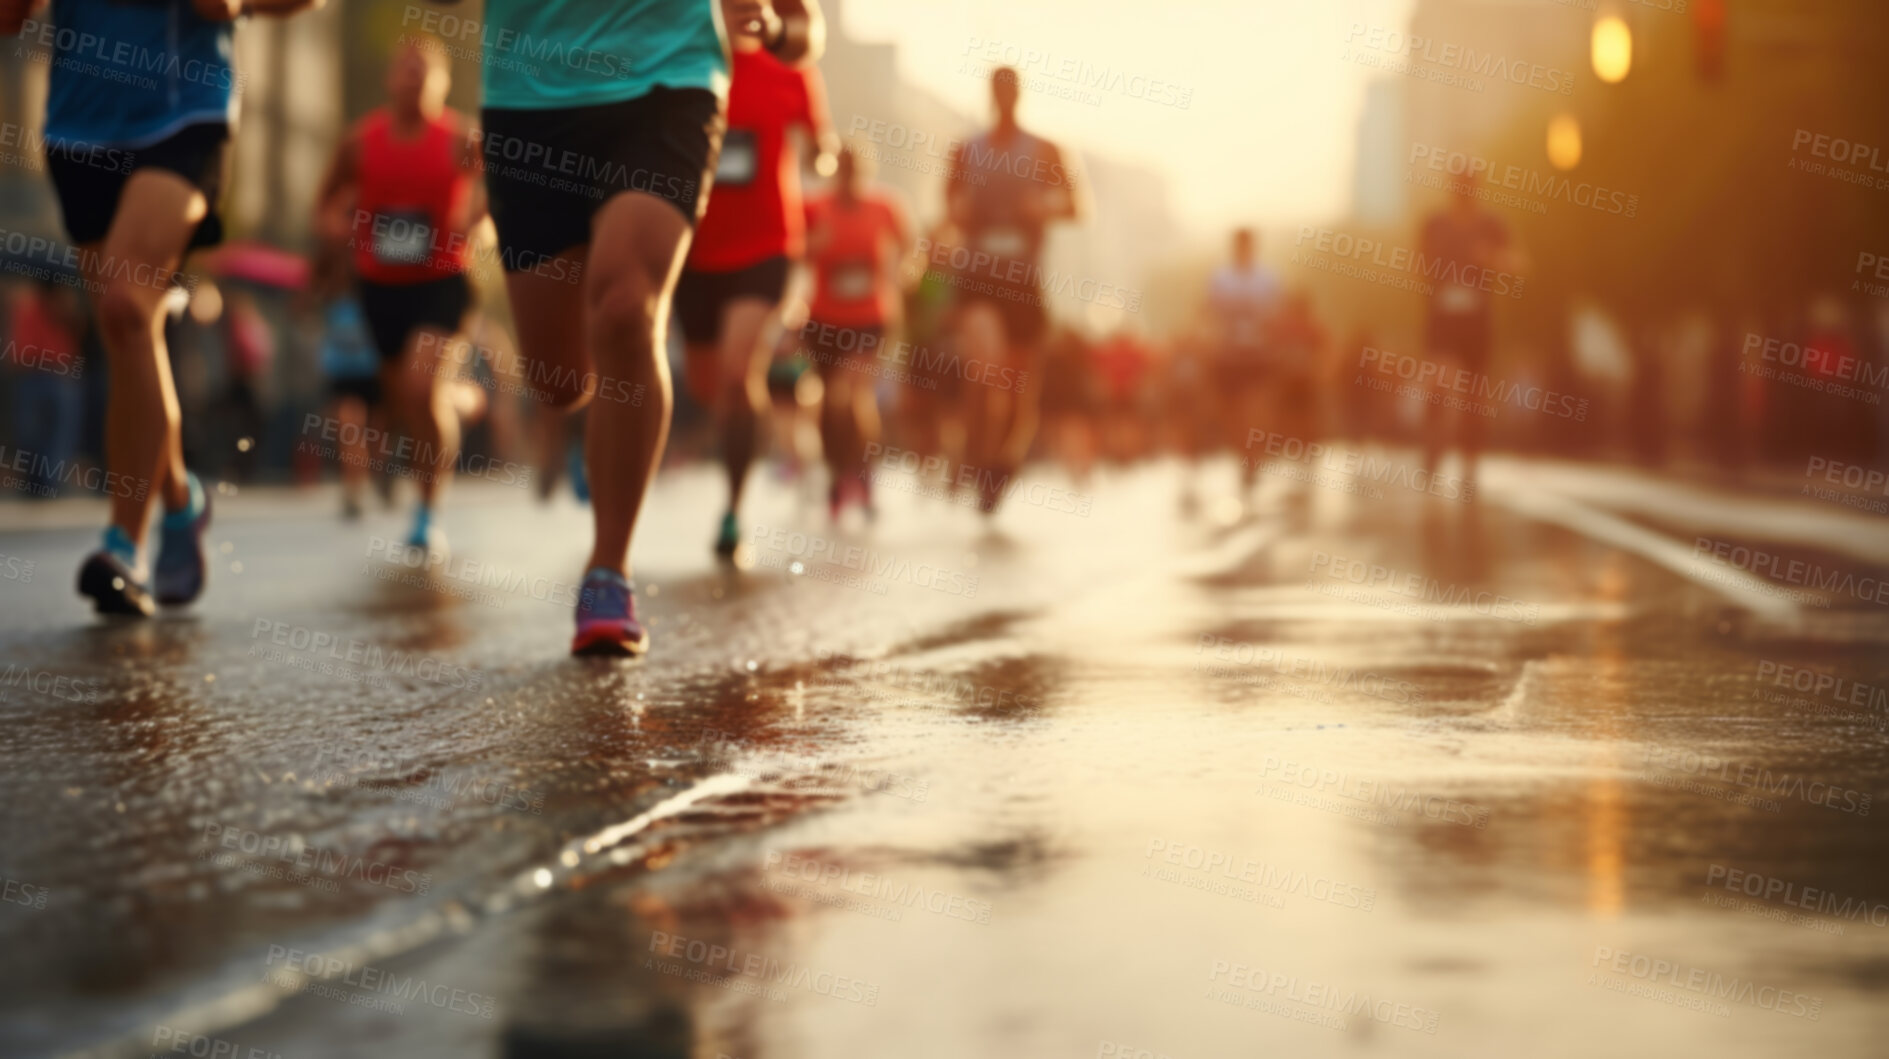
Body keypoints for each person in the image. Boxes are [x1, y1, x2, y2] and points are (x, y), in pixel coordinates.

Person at [457, 0, 824, 656]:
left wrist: (772, 26)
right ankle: (600, 431)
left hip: (667, 83)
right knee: (558, 381)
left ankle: (607, 572)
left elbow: (802, 25)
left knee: (627, 310)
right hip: (529, 97)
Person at [2, 0, 322, 615]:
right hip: (78, 125)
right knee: (130, 340)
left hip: (184, 115)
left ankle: (124, 545)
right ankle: (180, 500)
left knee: (126, 308)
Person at [674, 5, 836, 555]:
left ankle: (733, 508)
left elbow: (821, 147)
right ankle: (749, 429)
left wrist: (825, 156)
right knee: (708, 387)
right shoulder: (686, 59)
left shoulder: (790, 72)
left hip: (766, 246)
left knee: (738, 372)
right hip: (694, 251)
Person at [315, 35, 482, 556]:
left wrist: (472, 217)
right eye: (404, 68)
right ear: (390, 79)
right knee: (403, 400)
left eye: (423, 70)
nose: (412, 77)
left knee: (419, 387)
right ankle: (454, 401)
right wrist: (337, 229)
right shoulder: (361, 140)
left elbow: (494, 187)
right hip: (380, 286)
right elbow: (325, 200)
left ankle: (428, 512)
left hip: (441, 282)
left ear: (442, 82)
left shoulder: (459, 139)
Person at [942, 65, 1081, 514]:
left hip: (1022, 278)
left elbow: (1075, 205)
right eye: (995, 90)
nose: (1003, 97)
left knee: (1020, 387)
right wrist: (958, 214)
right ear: (989, 95)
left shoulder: (1045, 150)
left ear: (1019, 95)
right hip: (978, 276)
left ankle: (1003, 463)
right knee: (985, 369)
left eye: (1010, 90)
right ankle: (978, 456)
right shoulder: (966, 150)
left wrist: (1043, 205)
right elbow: (949, 207)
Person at [801, 144, 912, 518]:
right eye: (842, 171)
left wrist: (899, 273)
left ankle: (863, 472)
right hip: (824, 319)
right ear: (834, 173)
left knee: (855, 392)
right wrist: (811, 247)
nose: (848, 180)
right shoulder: (815, 208)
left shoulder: (885, 207)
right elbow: (791, 248)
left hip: (869, 317)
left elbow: (911, 248)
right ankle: (836, 470)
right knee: (832, 398)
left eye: (854, 171)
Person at [1418, 174, 1519, 485]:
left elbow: (1517, 263)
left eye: (1470, 188)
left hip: (1477, 318)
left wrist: (1492, 258)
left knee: (1475, 395)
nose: (1465, 194)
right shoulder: (1434, 223)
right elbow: (1416, 264)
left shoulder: (1491, 225)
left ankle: (1470, 461)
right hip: (1443, 317)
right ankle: (1434, 445)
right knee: (1440, 381)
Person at [1202, 228, 1282, 493]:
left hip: (1257, 353)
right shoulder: (1221, 278)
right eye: (1240, 246)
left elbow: (1275, 313)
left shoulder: (1266, 278)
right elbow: (1210, 310)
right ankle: (1242, 454)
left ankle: (1253, 457)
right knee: (1234, 412)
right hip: (1229, 355)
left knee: (1256, 408)